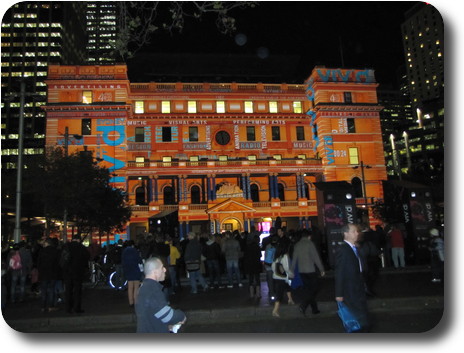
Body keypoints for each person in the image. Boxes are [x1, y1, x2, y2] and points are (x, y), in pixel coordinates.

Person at [135, 257, 186, 333]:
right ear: (155, 272)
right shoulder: (153, 290)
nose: (165, 270)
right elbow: (168, 316)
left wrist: (165, 326)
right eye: (162, 267)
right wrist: (182, 316)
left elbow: (150, 315)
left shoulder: (144, 287)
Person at [335, 224, 370, 332]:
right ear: (346, 234)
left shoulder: (355, 248)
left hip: (358, 287)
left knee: (361, 316)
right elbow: (339, 272)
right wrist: (339, 293)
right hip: (350, 289)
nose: (357, 233)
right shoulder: (343, 250)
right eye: (354, 231)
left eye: (357, 231)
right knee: (357, 318)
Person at [291, 229, 325, 316]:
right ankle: (304, 305)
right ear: (309, 236)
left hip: (302, 271)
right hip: (310, 270)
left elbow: (294, 259)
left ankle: (315, 309)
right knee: (314, 289)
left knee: (309, 290)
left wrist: (292, 270)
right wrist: (321, 269)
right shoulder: (310, 244)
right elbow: (316, 258)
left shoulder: (297, 245)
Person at [62, 235, 90, 314]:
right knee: (77, 290)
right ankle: (76, 307)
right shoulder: (81, 247)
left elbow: (62, 259)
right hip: (78, 271)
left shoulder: (66, 246)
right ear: (78, 240)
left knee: (68, 290)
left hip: (67, 271)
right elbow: (87, 256)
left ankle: (68, 308)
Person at [271, 240, 293, 318]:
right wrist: (290, 274)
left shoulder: (276, 256)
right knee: (279, 295)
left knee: (287, 286)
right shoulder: (285, 256)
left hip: (275, 276)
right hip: (282, 277)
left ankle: (290, 299)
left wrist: (276, 273)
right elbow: (286, 267)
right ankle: (275, 310)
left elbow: (273, 267)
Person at [37, 238, 59, 312]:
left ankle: (43, 306)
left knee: (44, 290)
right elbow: (57, 263)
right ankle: (50, 306)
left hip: (43, 273)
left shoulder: (42, 251)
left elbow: (38, 263)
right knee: (51, 289)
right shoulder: (55, 251)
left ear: (47, 243)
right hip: (53, 273)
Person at [121, 240, 144, 307]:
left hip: (128, 271)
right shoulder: (135, 251)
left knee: (130, 287)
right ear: (132, 245)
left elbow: (123, 261)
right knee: (136, 287)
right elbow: (139, 260)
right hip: (135, 270)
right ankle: (136, 301)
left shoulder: (124, 251)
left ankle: (131, 302)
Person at [244, 234, 262, 299]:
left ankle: (251, 294)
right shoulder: (257, 247)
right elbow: (260, 256)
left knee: (250, 279)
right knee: (257, 279)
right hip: (256, 264)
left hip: (250, 265)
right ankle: (258, 293)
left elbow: (245, 256)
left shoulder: (248, 247)